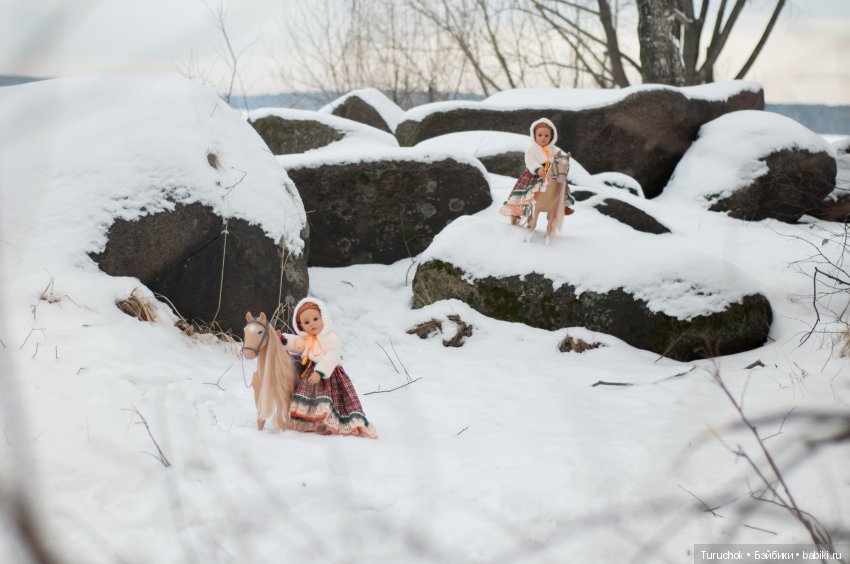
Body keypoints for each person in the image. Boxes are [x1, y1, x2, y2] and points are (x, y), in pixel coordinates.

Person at [279, 298, 377, 438]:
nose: (312, 324)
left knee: (330, 398)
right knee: (310, 397)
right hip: (310, 373)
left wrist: (320, 371)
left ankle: (332, 421)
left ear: (323, 317)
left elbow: (332, 355)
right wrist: (283, 340)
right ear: (301, 326)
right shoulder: (307, 339)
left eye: (315, 319)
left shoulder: (331, 338)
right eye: (306, 322)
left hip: (329, 374)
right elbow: (296, 343)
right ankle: (312, 420)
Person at [499, 117, 574, 223]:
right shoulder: (531, 149)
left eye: (546, 135)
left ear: (552, 136)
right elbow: (530, 161)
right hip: (534, 174)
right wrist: (537, 169)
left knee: (561, 186)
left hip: (552, 173)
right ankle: (521, 209)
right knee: (528, 191)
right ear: (534, 135)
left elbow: (561, 159)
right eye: (540, 135)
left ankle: (560, 206)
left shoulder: (554, 149)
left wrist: (561, 164)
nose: (543, 138)